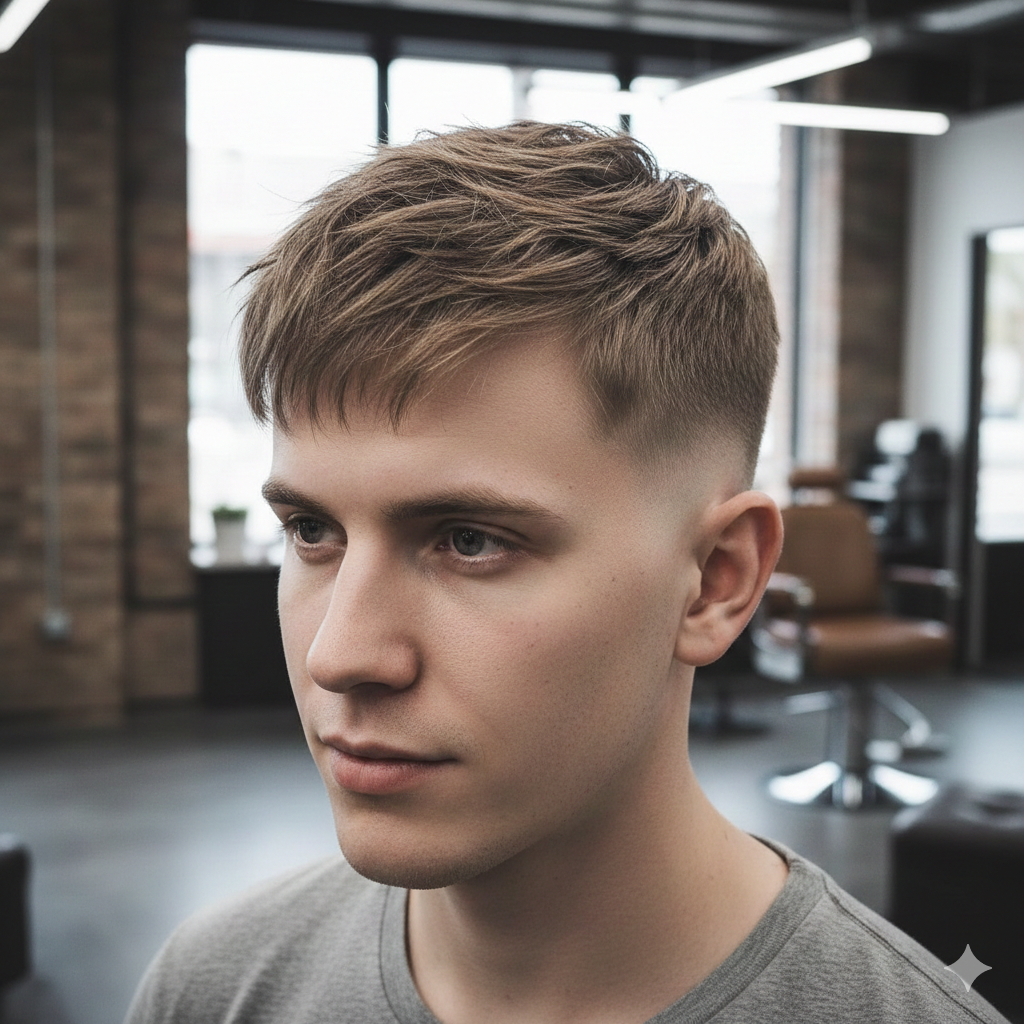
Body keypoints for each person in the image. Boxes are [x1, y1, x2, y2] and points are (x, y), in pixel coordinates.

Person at [125, 122, 1008, 1024]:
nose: (341, 656)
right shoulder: (215, 989)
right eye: (312, 528)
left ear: (715, 581)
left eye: (469, 540)